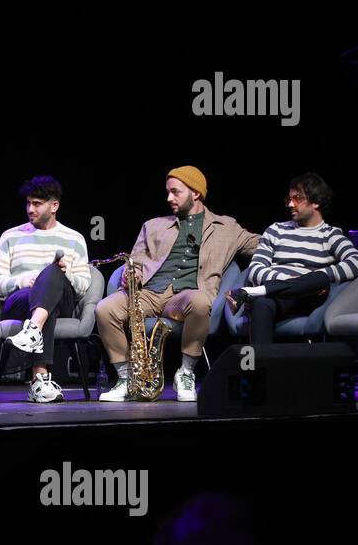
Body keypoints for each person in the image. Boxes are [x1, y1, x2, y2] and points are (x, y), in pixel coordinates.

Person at [95, 166, 259, 402]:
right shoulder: (153, 225)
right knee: (104, 308)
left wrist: (297, 239)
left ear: (196, 193)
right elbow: (138, 258)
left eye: (175, 192)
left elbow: (262, 244)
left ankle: (186, 373)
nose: (169, 198)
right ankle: (125, 377)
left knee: (201, 302)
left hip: (186, 295)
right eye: (167, 192)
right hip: (149, 292)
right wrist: (135, 272)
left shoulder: (227, 227)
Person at [226, 172, 358, 345]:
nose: (290, 204)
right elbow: (255, 269)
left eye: (297, 198)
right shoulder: (276, 230)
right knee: (262, 304)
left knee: (319, 279)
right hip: (277, 297)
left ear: (316, 202)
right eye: (289, 199)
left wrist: (313, 278)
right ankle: (260, 370)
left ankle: (251, 293)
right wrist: (287, 281)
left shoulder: (330, 234)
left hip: (308, 296)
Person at [0, 175, 92, 403]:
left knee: (54, 271)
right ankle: (40, 379)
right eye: (28, 203)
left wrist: (66, 273)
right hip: (21, 300)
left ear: (54, 205)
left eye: (37, 204)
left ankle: (33, 330)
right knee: (47, 305)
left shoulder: (74, 238)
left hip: (63, 298)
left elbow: (84, 286)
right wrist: (24, 280)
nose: (30, 209)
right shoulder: (11, 236)